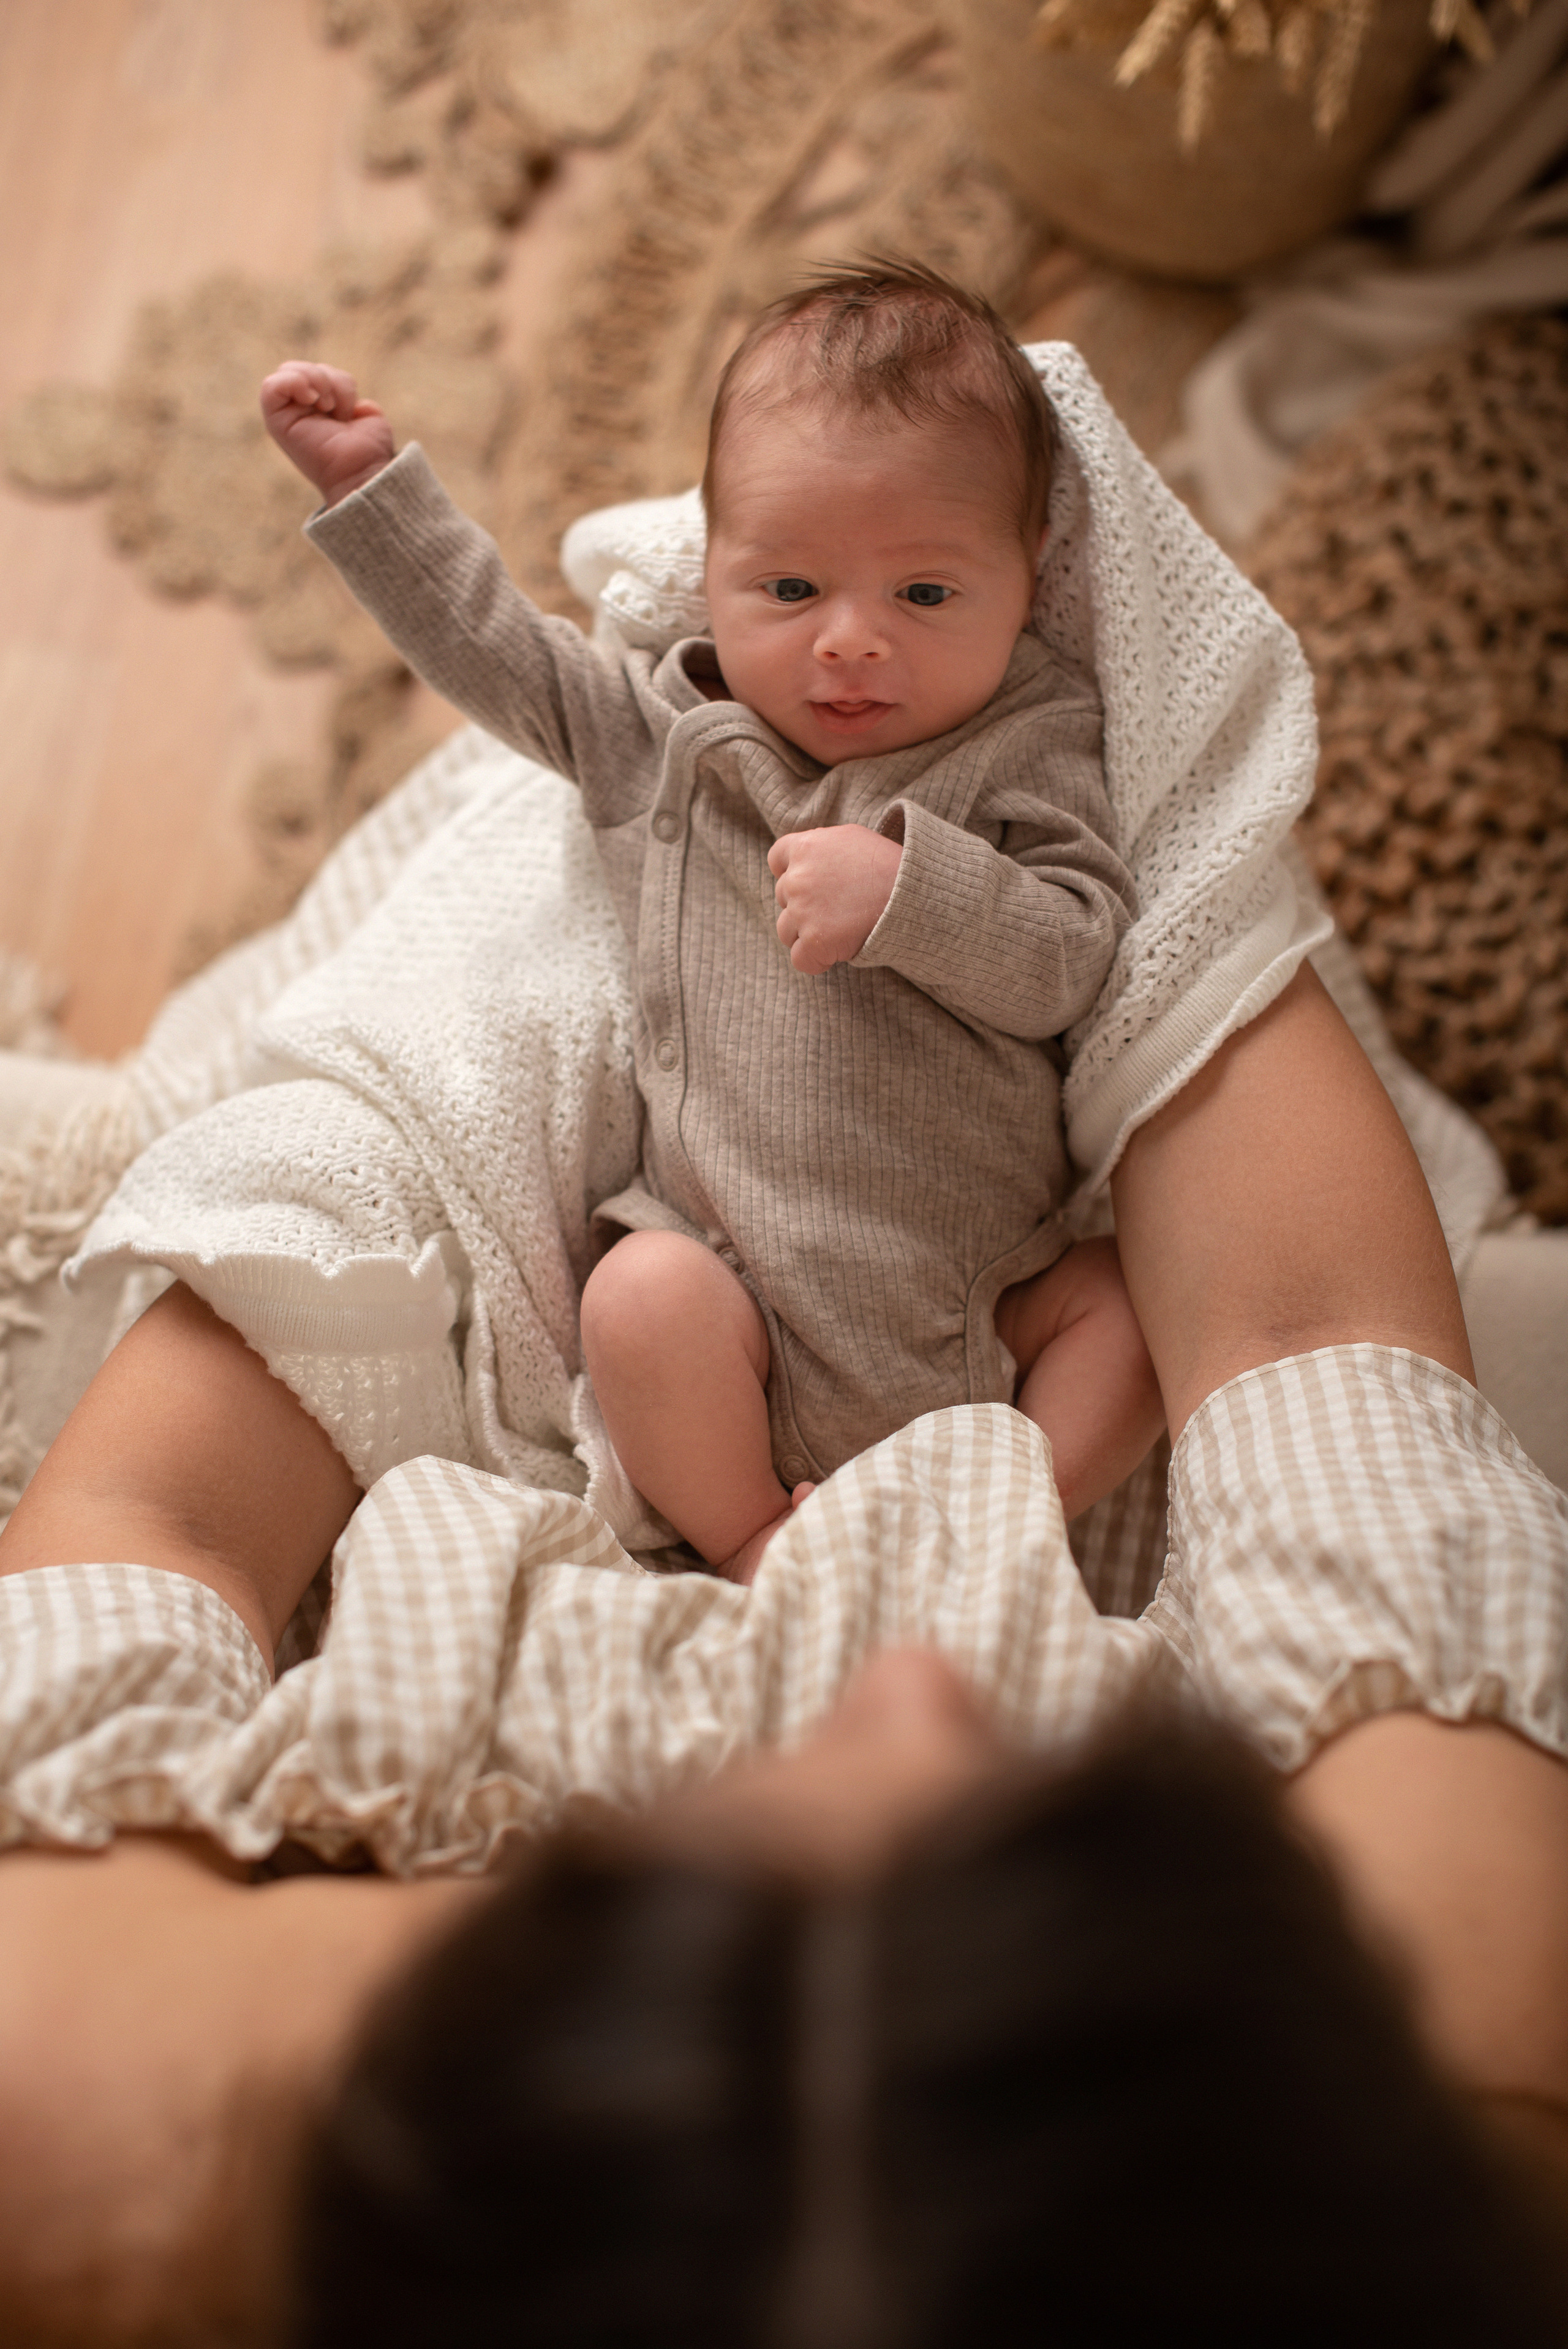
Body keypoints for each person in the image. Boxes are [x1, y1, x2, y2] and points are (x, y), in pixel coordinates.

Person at [258, 262, 1162, 1581]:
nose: (849, 644)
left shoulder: (1028, 745)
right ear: (716, 567)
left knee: (1135, 1307)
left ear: (1024, 574)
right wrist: (373, 493)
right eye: (788, 592)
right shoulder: (666, 740)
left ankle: (1015, 1521)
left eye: (922, 595)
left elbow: (1074, 956)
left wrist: (913, 893)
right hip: (739, 1296)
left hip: (987, 1291)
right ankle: (751, 1543)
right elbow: (502, 651)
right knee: (636, 1297)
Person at [1, 1653, 1566, 2345]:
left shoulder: (84, 2117)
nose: (910, 1673)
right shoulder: (1482, 2084)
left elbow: (142, 1530)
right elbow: (1309, 1346)